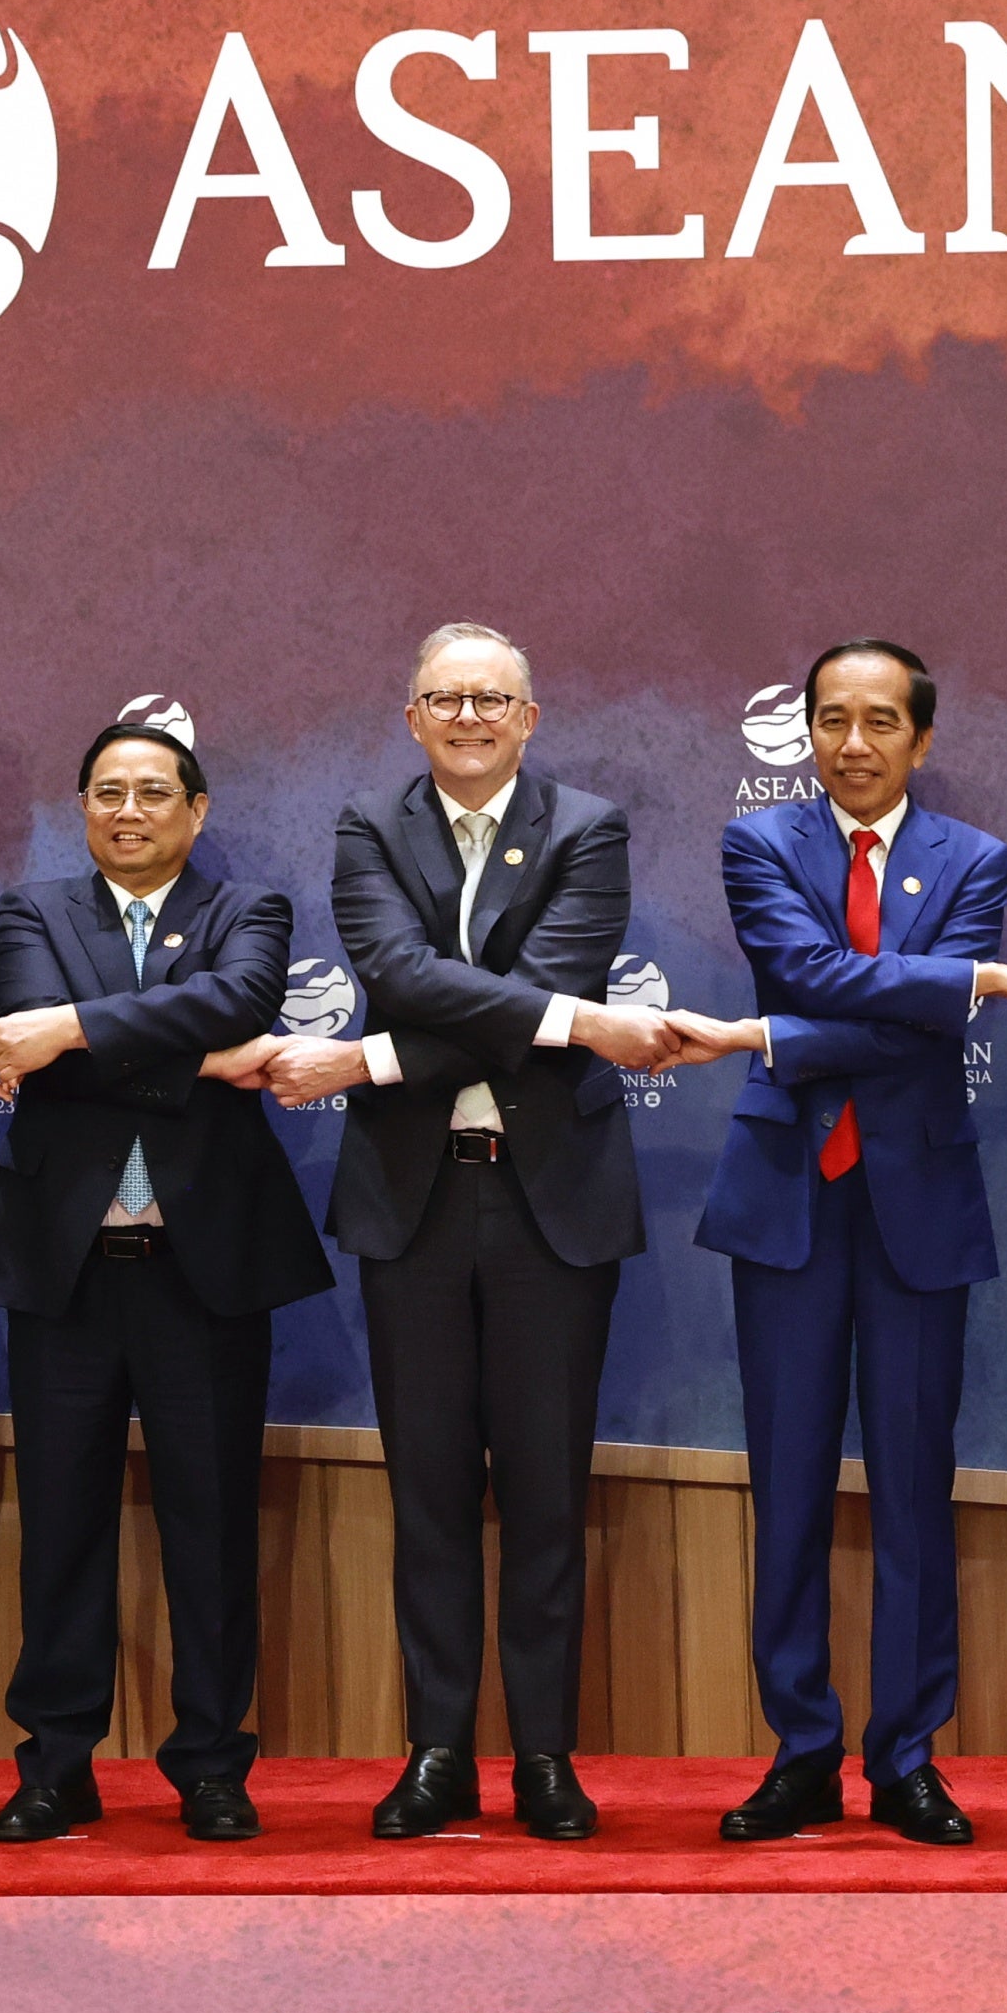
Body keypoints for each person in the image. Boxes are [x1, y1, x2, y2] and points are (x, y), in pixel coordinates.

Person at [259, 625, 684, 1840]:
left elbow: (524, 978)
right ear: (411, 718)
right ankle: (437, 1751)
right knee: (429, 1493)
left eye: (492, 698)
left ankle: (544, 1756)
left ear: (529, 717)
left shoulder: (587, 826)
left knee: (548, 1497)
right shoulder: (366, 827)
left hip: (551, 1204)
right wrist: (569, 1023)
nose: (468, 716)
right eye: (444, 697)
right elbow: (397, 969)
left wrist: (372, 1058)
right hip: (416, 1200)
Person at [676, 641, 1007, 1846]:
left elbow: (905, 1031)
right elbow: (807, 969)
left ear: (921, 739)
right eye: (831, 719)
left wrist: (776, 1037)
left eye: (879, 721)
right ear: (806, 731)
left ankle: (906, 1758)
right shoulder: (762, 843)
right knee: (785, 1488)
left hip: (914, 1207)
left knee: (911, 1491)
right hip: (787, 1197)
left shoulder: (976, 859)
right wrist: (942, 986)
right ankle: (799, 1751)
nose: (853, 742)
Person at [0, 718, 331, 1842]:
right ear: (81, 809)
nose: (129, 811)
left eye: (153, 793)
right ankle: (56, 1764)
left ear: (196, 811)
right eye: (107, 793)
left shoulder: (248, 911)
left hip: (202, 1266)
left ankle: (212, 1766)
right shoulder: (30, 912)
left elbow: (234, 1004)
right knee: (61, 1525)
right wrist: (191, 1061)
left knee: (211, 1527)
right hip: (66, 1268)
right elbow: (72, 1039)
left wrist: (75, 1036)